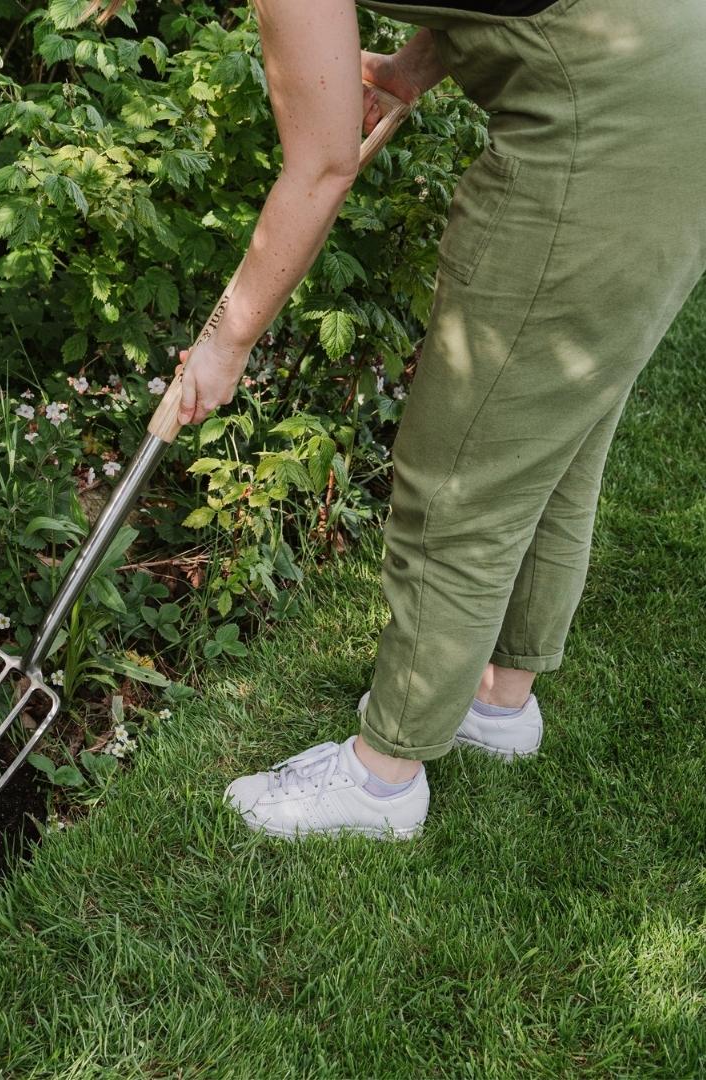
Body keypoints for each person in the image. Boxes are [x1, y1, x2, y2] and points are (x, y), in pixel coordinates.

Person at [81, 0, 706, 839]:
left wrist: (225, 341)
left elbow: (321, 168)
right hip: (677, 84)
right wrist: (411, 69)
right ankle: (499, 703)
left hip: (600, 140)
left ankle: (382, 782)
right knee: (558, 434)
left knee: (458, 480)